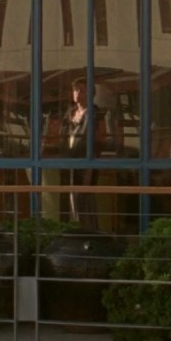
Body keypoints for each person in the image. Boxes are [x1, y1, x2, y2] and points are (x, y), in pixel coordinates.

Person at [62, 77, 102, 228]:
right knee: (70, 201)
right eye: (75, 90)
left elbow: (98, 143)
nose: (78, 93)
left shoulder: (94, 114)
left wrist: (89, 170)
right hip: (68, 165)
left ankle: (88, 232)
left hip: (85, 165)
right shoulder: (70, 113)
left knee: (84, 202)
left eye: (82, 90)